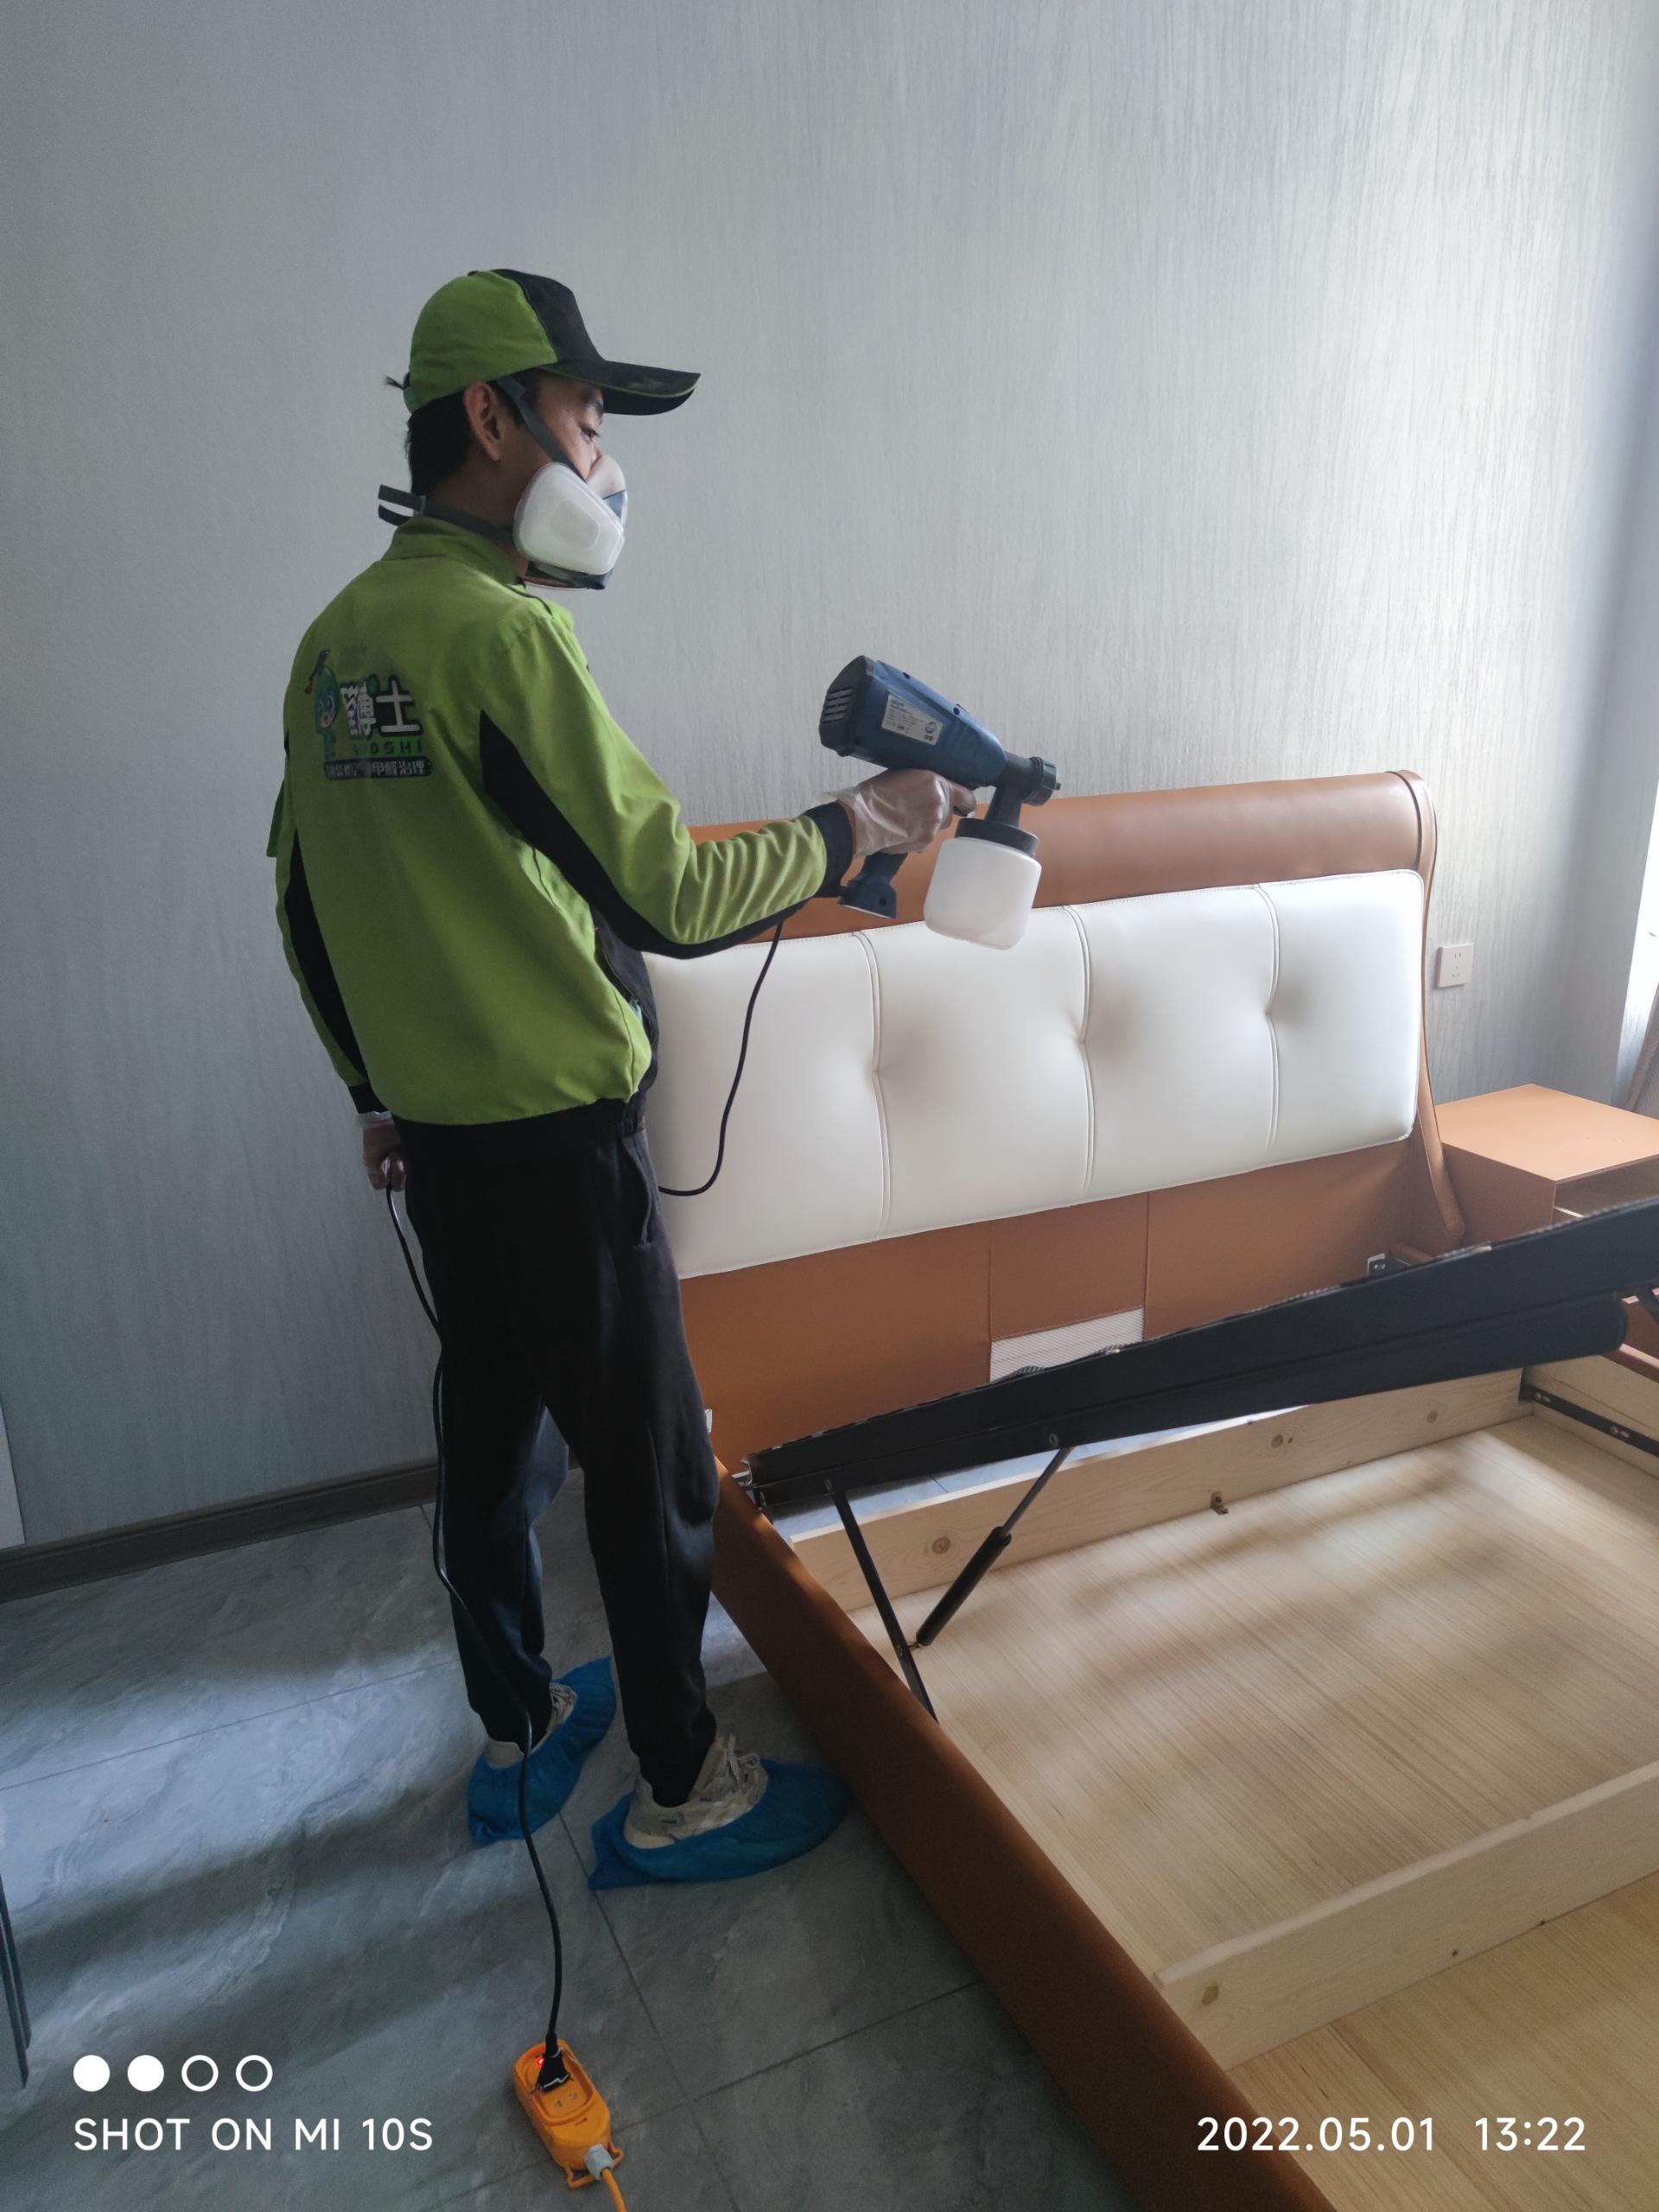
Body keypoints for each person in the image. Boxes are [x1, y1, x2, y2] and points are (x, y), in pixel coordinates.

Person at [270, 268, 969, 1885]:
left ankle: (520, 1729)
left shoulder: (334, 645)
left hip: (441, 1148)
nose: (604, 458)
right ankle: (684, 1783)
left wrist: (373, 1092)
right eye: (589, 417)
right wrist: (858, 826)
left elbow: (302, 900)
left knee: (489, 1448)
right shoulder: (501, 636)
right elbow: (667, 891)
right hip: (561, 1150)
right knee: (649, 1469)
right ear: (493, 416)